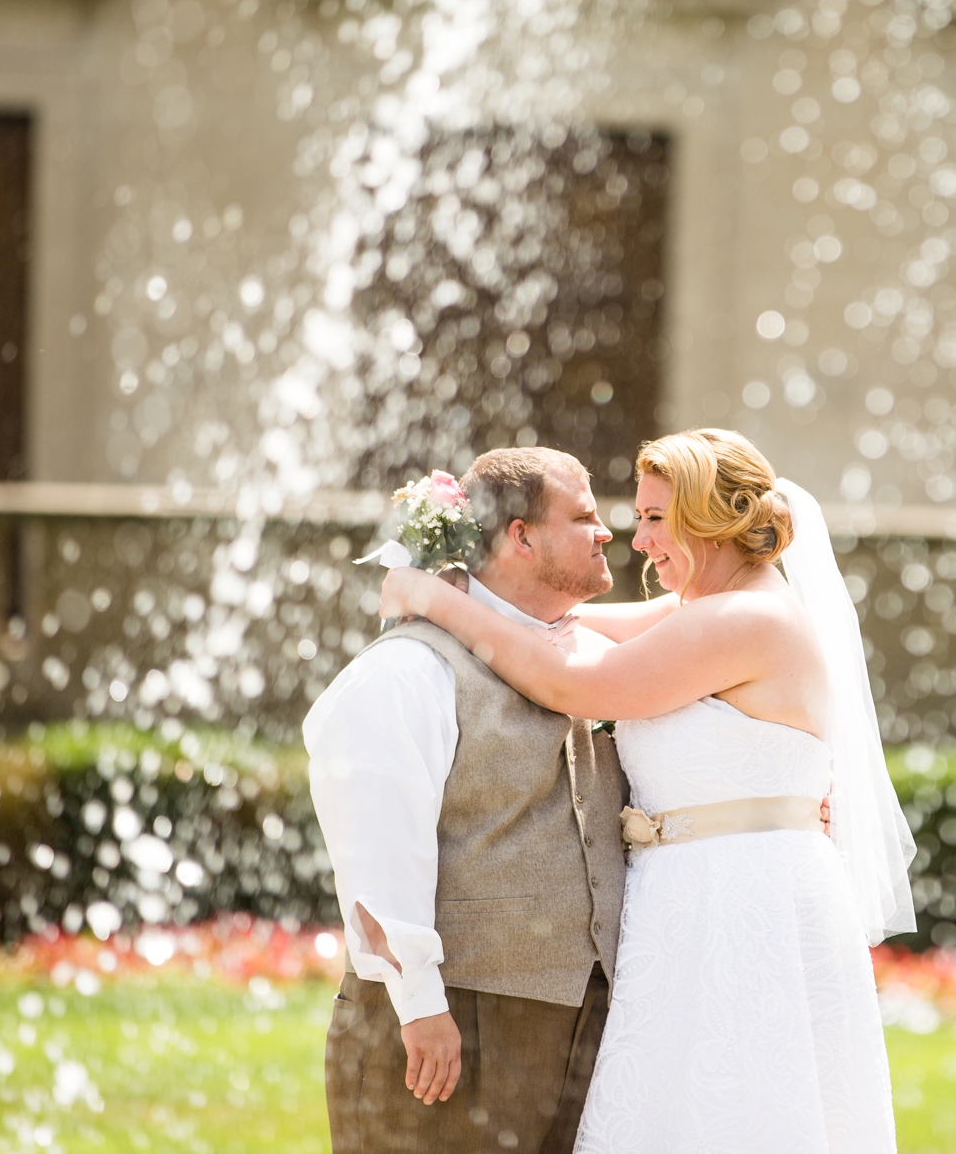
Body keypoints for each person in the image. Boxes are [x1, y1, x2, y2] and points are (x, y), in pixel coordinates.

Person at [378, 428, 916, 1154]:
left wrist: (429, 602)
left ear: (709, 517)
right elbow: (561, 626)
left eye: (656, 518)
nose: (640, 542)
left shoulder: (748, 618)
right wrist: (468, 584)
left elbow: (576, 680)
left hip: (742, 905)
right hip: (688, 902)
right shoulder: (705, 610)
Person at [306, 446, 629, 1154]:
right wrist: (421, 1005)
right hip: (449, 1027)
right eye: (583, 517)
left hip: (575, 1020)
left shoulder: (579, 657)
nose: (608, 531)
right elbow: (379, 846)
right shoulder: (407, 670)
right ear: (521, 536)